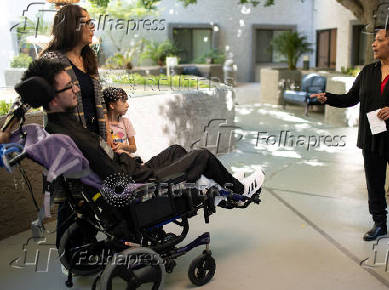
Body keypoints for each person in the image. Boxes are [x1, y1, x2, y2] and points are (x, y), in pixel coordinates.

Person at [11, 58, 265, 199]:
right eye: (70, 86)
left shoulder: (60, 126)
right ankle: (238, 190)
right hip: (138, 181)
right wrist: (130, 164)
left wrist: (120, 155)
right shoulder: (73, 134)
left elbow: (103, 162)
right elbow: (116, 178)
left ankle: (222, 181)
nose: (77, 88)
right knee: (202, 155)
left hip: (133, 170)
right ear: (53, 98)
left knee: (176, 149)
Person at [311, 20, 389, 246]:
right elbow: (351, 98)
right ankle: (379, 224)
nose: (373, 44)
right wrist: (328, 97)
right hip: (372, 140)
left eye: (380, 40)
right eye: (374, 40)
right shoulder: (368, 71)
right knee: (374, 183)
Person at [40, 4, 111, 146]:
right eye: (87, 23)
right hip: (69, 143)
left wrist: (108, 134)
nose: (93, 27)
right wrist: (6, 130)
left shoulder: (89, 57)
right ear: (71, 27)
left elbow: (100, 99)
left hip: (96, 140)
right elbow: (28, 92)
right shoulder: (51, 60)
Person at [103, 87, 136, 155]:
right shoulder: (103, 125)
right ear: (112, 105)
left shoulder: (126, 122)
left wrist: (123, 146)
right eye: (123, 101)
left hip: (127, 160)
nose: (127, 105)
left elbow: (134, 148)